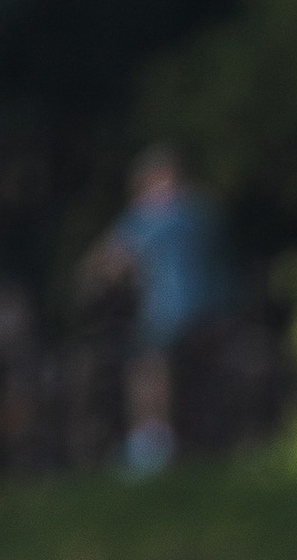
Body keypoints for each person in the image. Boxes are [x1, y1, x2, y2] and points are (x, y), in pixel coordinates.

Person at [81, 147, 230, 476]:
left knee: (145, 368)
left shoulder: (150, 215)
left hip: (170, 312)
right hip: (215, 312)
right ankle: (207, 443)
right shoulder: (202, 210)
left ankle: (150, 445)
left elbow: (106, 262)